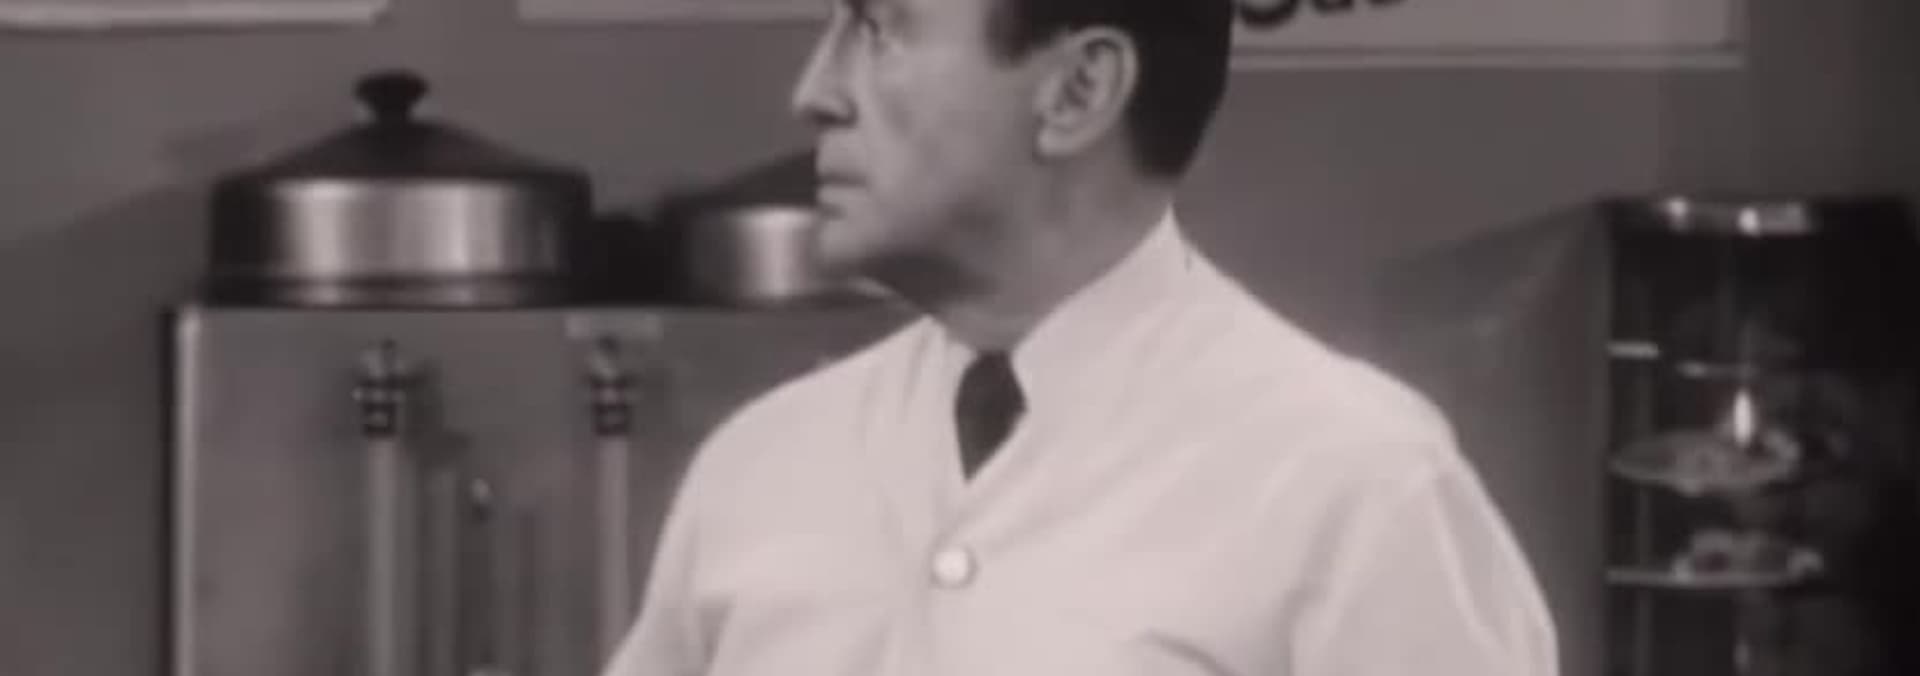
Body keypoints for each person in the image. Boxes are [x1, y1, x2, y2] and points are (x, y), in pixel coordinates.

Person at [599, 0, 1560, 673]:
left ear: (1078, 90)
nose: (815, 92)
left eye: (880, 28)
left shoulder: (1355, 485)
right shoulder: (760, 466)